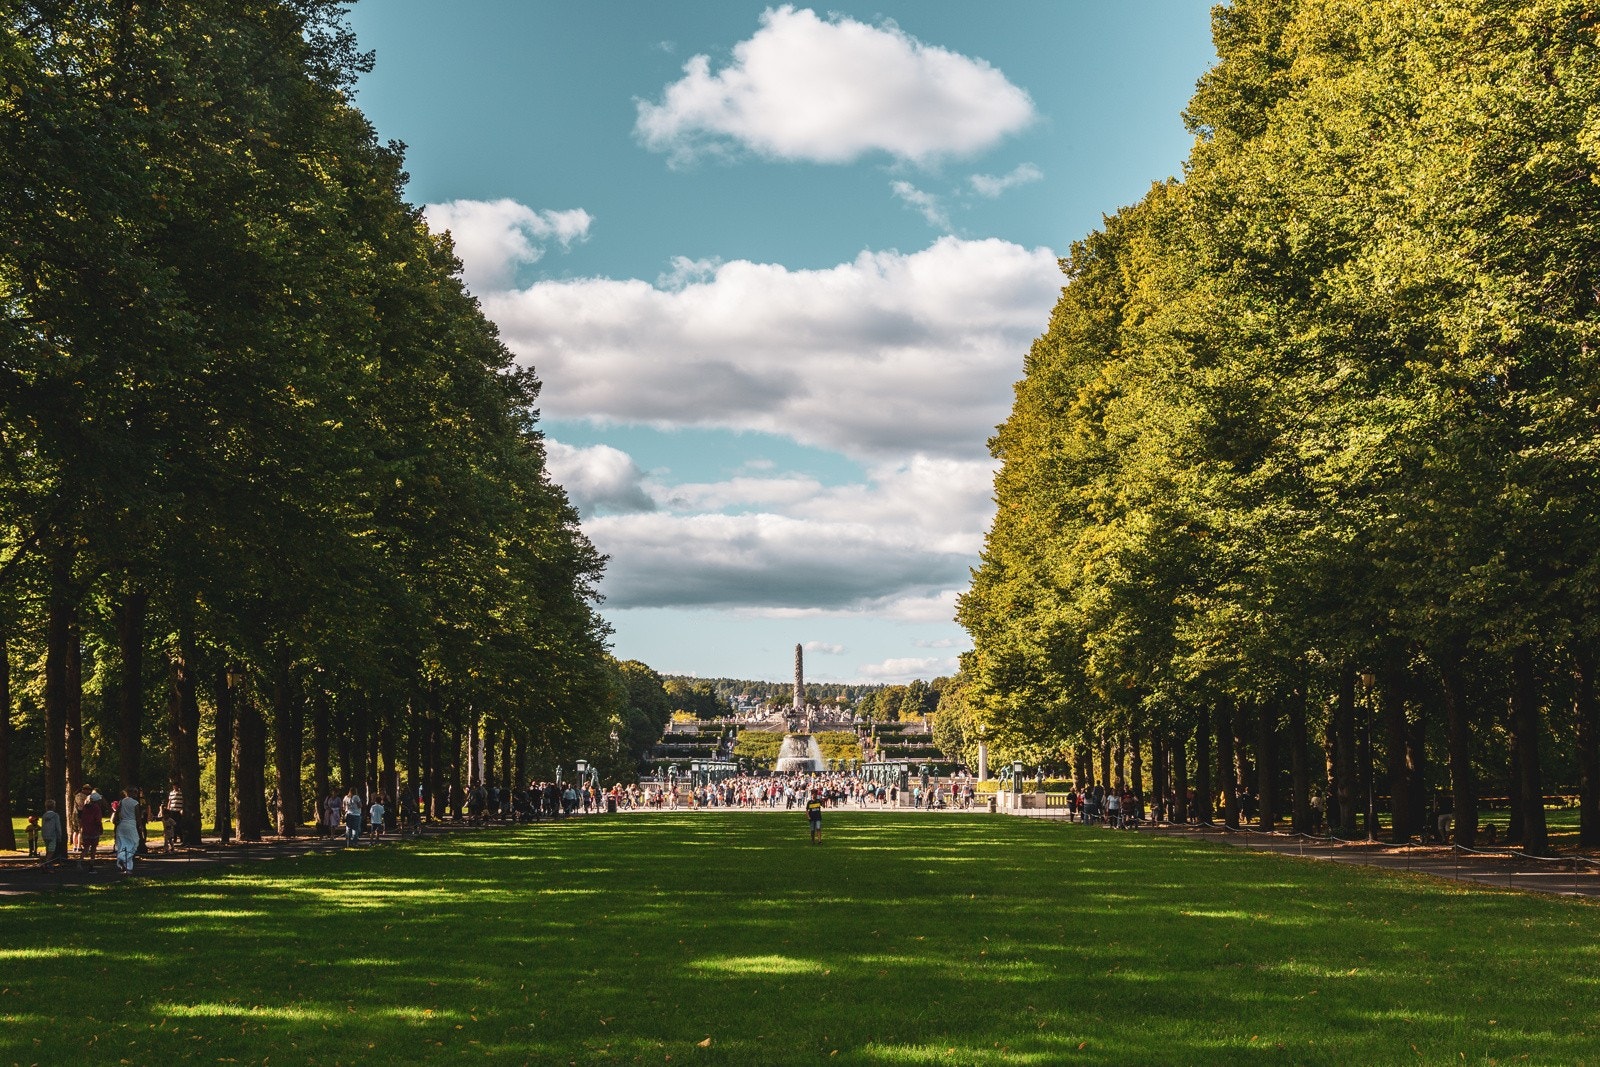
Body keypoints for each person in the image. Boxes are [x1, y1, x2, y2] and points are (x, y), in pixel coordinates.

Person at [114, 788, 141, 874]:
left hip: (122, 825)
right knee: (133, 842)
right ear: (133, 793)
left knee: (122, 843)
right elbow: (137, 816)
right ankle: (123, 859)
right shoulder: (135, 803)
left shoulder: (122, 801)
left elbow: (117, 812)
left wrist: (116, 820)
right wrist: (140, 826)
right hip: (131, 824)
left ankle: (125, 866)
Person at [79, 790, 104, 868]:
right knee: (93, 848)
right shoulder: (97, 808)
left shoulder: (85, 807)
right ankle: (91, 863)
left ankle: (80, 861)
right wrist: (100, 828)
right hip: (94, 830)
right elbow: (98, 820)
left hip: (86, 829)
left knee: (86, 847)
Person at [39, 801, 63, 868]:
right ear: (54, 806)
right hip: (53, 835)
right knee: (51, 851)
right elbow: (58, 826)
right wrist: (59, 835)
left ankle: (49, 864)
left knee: (48, 849)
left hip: (45, 835)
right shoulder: (55, 815)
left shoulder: (44, 815)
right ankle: (46, 863)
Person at [162, 782, 184, 852]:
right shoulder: (171, 793)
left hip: (178, 810)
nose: (175, 787)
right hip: (172, 810)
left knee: (178, 824)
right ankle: (174, 838)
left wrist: (182, 809)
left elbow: (183, 801)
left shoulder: (181, 793)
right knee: (172, 825)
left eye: (176, 786)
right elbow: (170, 801)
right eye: (174, 786)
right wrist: (168, 809)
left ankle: (181, 837)